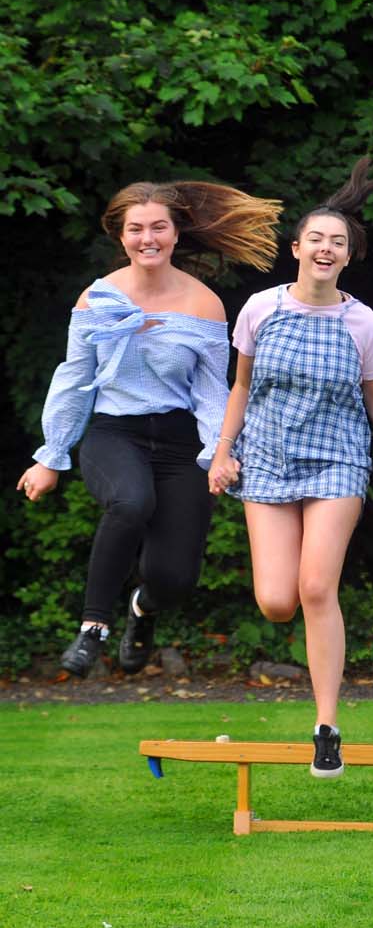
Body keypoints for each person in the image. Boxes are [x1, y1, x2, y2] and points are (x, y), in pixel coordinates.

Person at [208, 159, 373, 779]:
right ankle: (324, 711)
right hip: (267, 462)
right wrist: (224, 450)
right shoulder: (259, 309)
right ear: (297, 248)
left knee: (316, 588)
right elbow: (240, 389)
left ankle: (327, 725)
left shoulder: (363, 323)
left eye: (338, 241)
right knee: (277, 601)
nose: (327, 248)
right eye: (317, 239)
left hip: (338, 460)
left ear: (347, 256)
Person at [18, 180, 280, 677]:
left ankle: (142, 609)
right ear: (121, 236)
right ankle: (93, 626)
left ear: (176, 232)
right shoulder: (97, 299)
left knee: (175, 579)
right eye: (136, 229)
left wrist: (220, 452)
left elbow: (210, 394)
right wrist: (51, 455)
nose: (148, 238)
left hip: (182, 445)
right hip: (115, 433)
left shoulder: (204, 304)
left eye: (158, 226)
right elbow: (75, 379)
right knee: (131, 501)